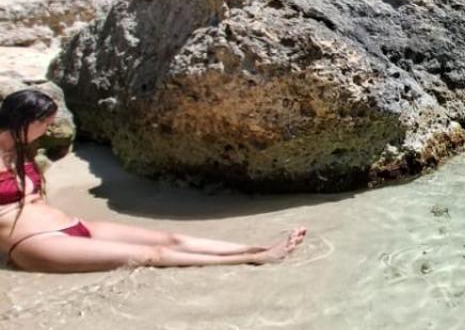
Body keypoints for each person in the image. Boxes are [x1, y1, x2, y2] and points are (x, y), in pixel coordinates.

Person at [0, 88, 306, 272]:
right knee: (152, 256)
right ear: (28, 121)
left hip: (73, 226)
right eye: (47, 124)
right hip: (34, 244)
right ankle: (257, 259)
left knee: (170, 239)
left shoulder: (22, 149)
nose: (49, 131)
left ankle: (250, 248)